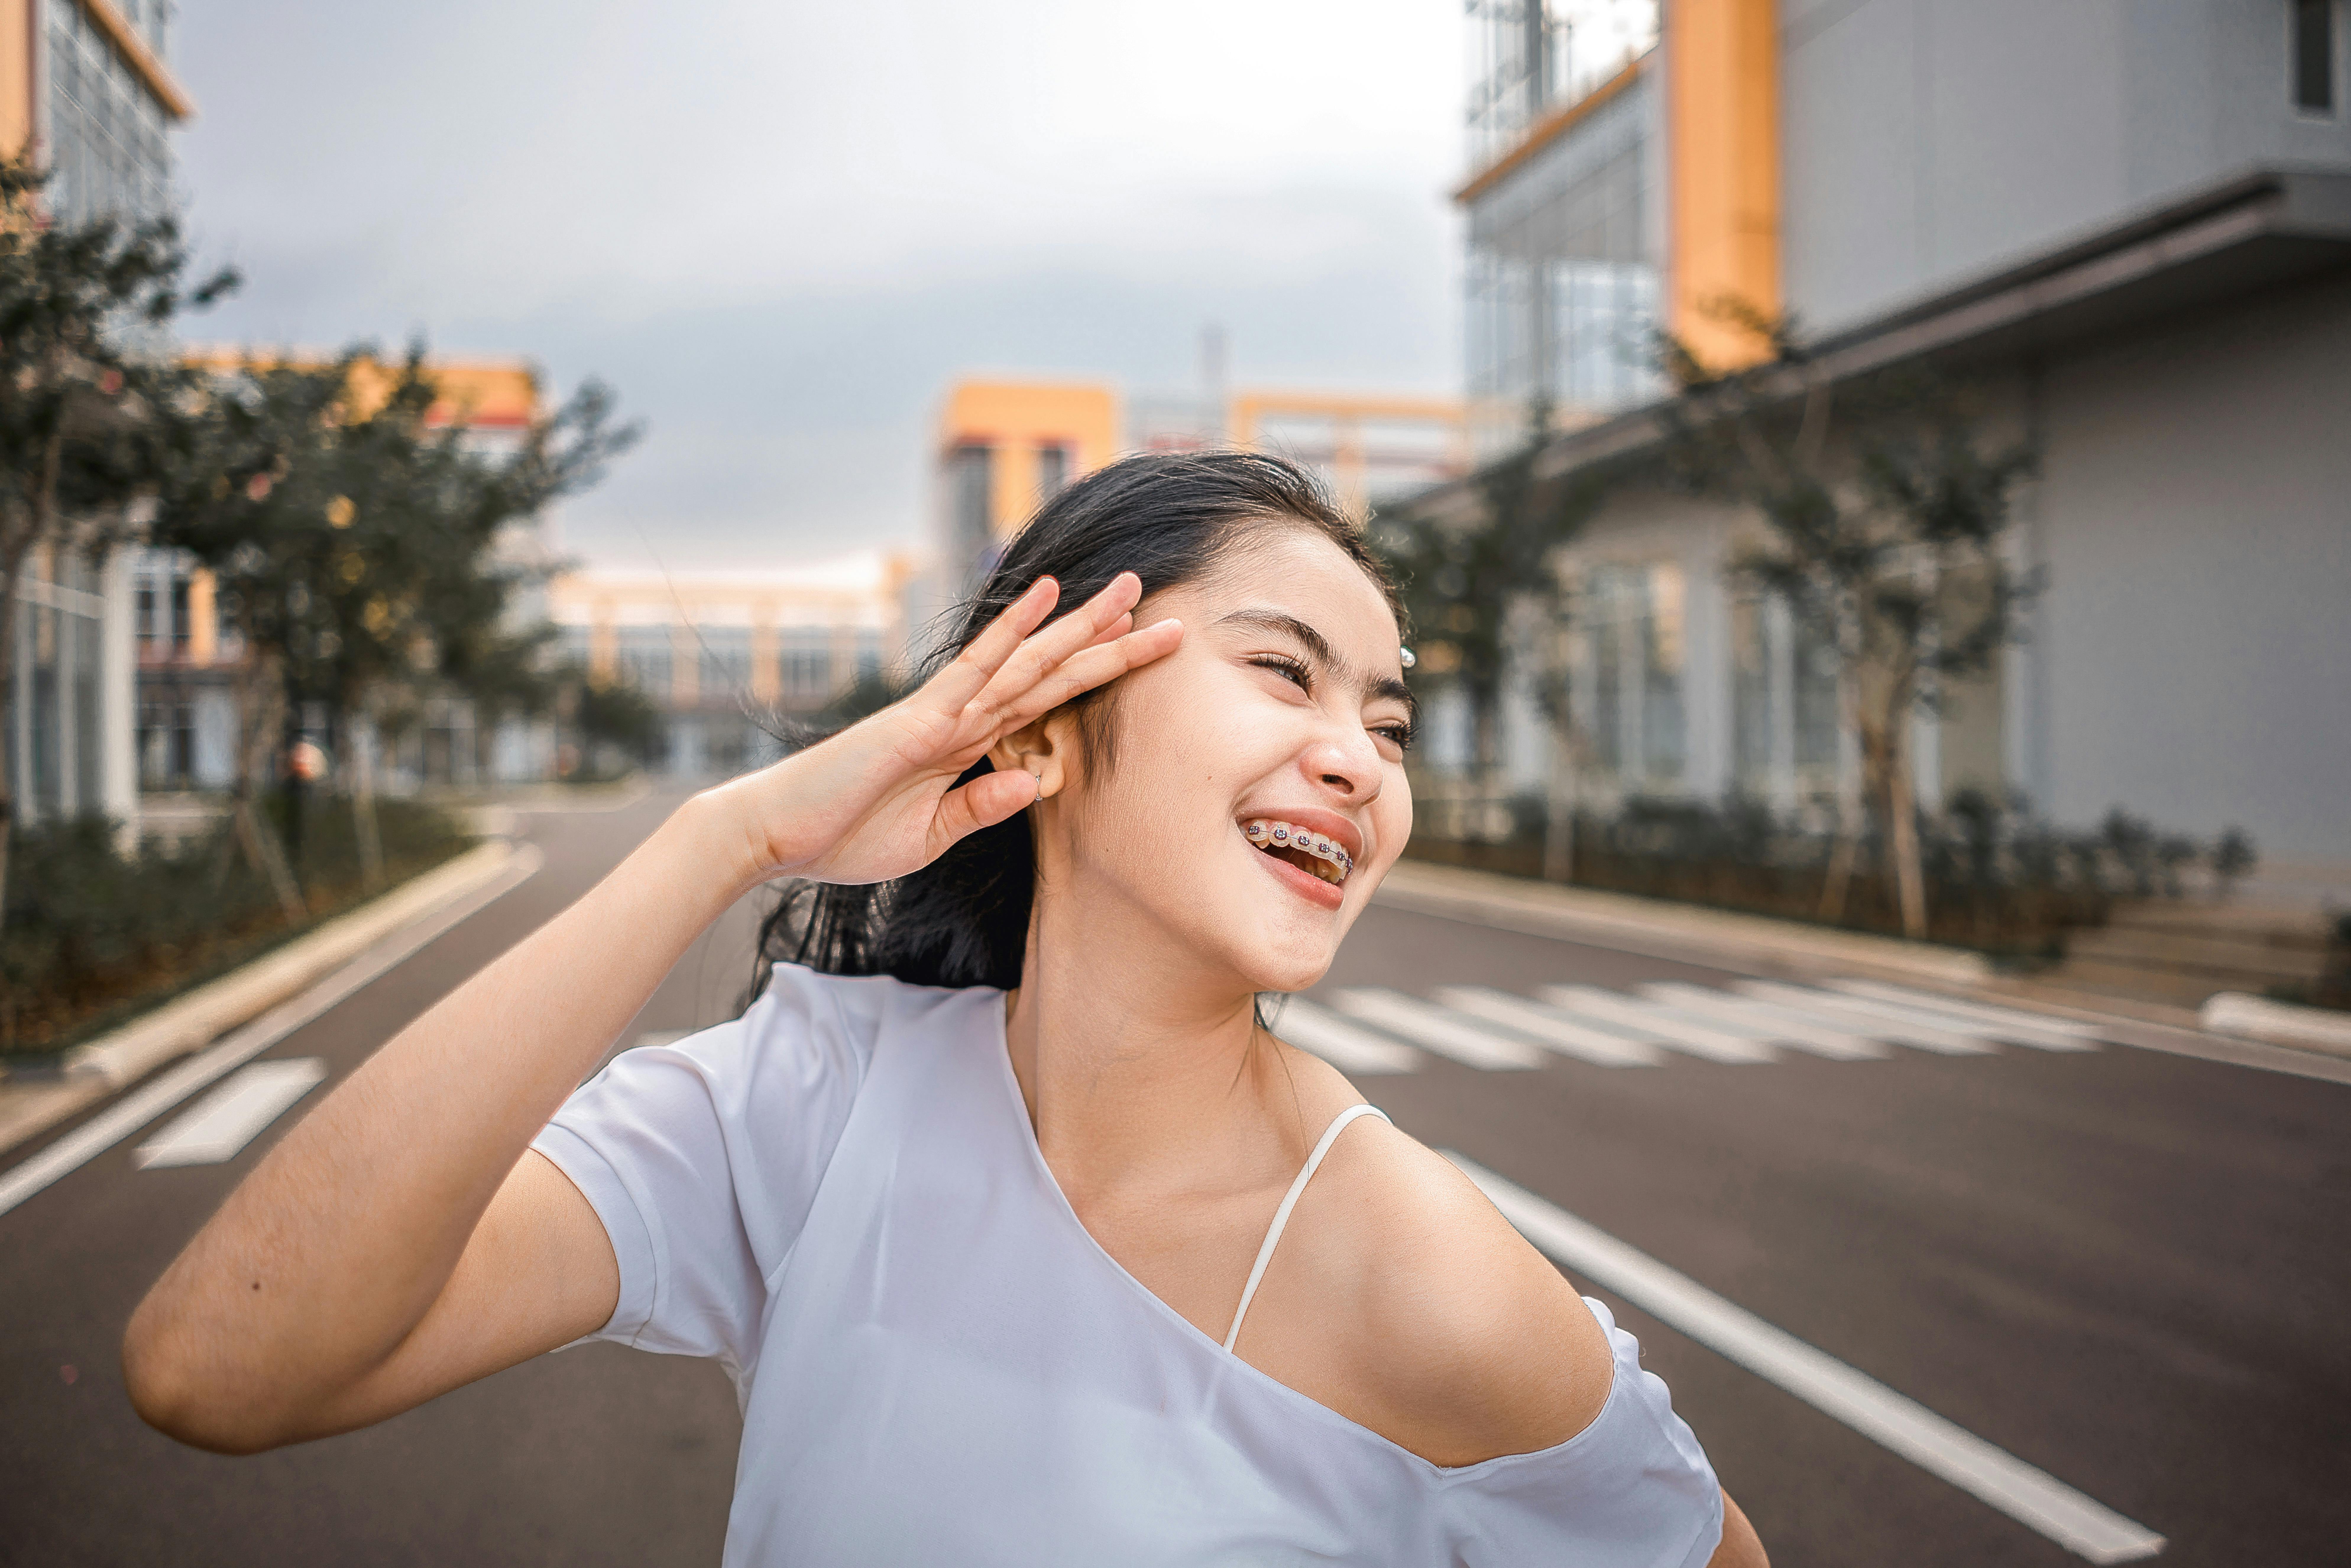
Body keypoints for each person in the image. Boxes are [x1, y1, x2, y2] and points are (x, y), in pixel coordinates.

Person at [125, 452, 1767, 1566]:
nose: (1359, 759)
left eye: (1389, 722)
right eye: (1285, 671)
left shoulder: (1417, 1269)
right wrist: (722, 842)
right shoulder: (810, 1104)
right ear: (1042, 713)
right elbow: (219, 1366)